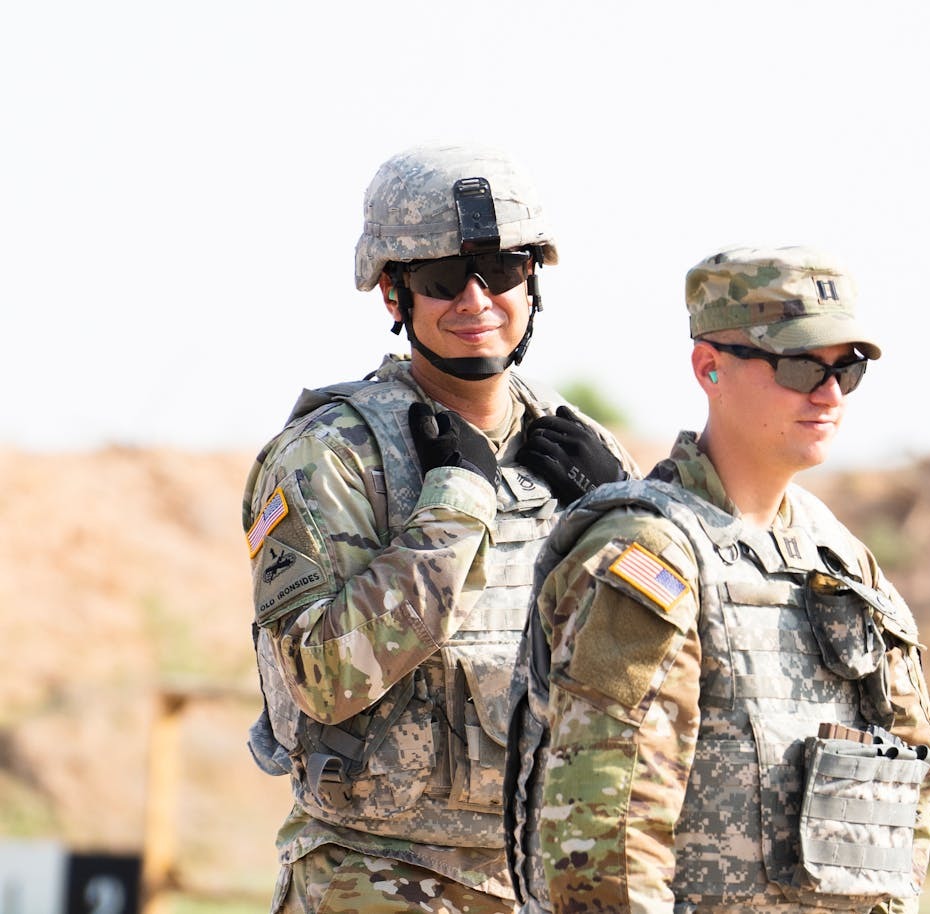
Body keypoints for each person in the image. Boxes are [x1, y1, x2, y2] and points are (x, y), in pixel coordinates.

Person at [243, 143, 640, 913]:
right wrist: (455, 506)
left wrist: (623, 516)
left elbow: (652, 668)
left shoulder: (580, 447)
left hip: (546, 875)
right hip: (378, 878)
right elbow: (326, 679)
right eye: (439, 280)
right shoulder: (329, 455)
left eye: (501, 272)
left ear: (533, 284)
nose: (475, 301)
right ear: (394, 296)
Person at [505, 244, 930, 914]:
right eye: (799, 365)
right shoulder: (649, 552)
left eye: (844, 370)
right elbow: (606, 835)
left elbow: (899, 813)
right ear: (709, 367)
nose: (827, 393)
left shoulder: (843, 562)